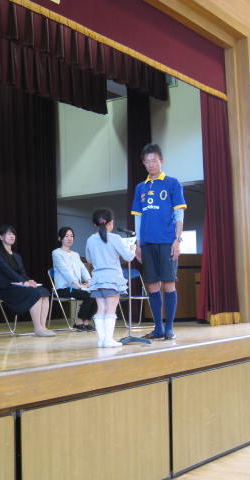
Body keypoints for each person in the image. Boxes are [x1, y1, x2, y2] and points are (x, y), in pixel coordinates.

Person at [131, 143, 187, 341]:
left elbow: (179, 214)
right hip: (147, 243)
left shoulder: (172, 183)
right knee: (152, 286)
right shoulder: (140, 187)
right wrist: (138, 243)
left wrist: (177, 240)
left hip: (167, 242)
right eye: (147, 162)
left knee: (169, 285)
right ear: (143, 164)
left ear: (161, 161)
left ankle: (169, 328)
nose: (150, 164)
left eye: (154, 160)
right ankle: (158, 328)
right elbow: (138, 217)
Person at [0, 225, 55, 337]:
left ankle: (43, 327)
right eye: (8, 233)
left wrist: (29, 280)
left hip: (18, 286)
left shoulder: (17, 256)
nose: (12, 236)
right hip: (6, 288)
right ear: (1, 237)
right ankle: (38, 328)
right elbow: (8, 271)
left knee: (44, 291)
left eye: (13, 234)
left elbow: (22, 273)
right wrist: (24, 283)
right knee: (34, 293)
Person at [85, 208, 136, 348]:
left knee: (101, 308)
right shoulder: (115, 238)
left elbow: (89, 259)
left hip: (97, 279)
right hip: (112, 278)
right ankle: (108, 340)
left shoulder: (90, 240)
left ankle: (102, 340)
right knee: (111, 309)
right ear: (111, 222)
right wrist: (132, 247)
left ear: (95, 224)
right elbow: (128, 257)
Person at [52, 227, 97, 331]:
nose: (70, 238)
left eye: (71, 236)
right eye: (66, 236)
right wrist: (78, 285)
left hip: (76, 287)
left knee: (96, 293)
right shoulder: (56, 253)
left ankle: (86, 321)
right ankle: (79, 322)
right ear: (60, 238)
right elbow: (65, 271)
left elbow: (83, 269)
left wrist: (90, 281)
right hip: (63, 288)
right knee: (89, 295)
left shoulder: (75, 254)